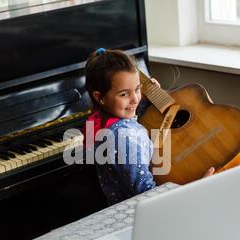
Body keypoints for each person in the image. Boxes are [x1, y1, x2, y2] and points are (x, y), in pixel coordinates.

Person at [83, 48, 213, 205]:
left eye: (137, 89)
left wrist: (145, 99)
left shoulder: (103, 120)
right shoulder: (122, 136)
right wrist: (196, 190)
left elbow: (131, 118)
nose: (135, 99)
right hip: (139, 217)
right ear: (100, 97)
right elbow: (147, 194)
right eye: (124, 94)